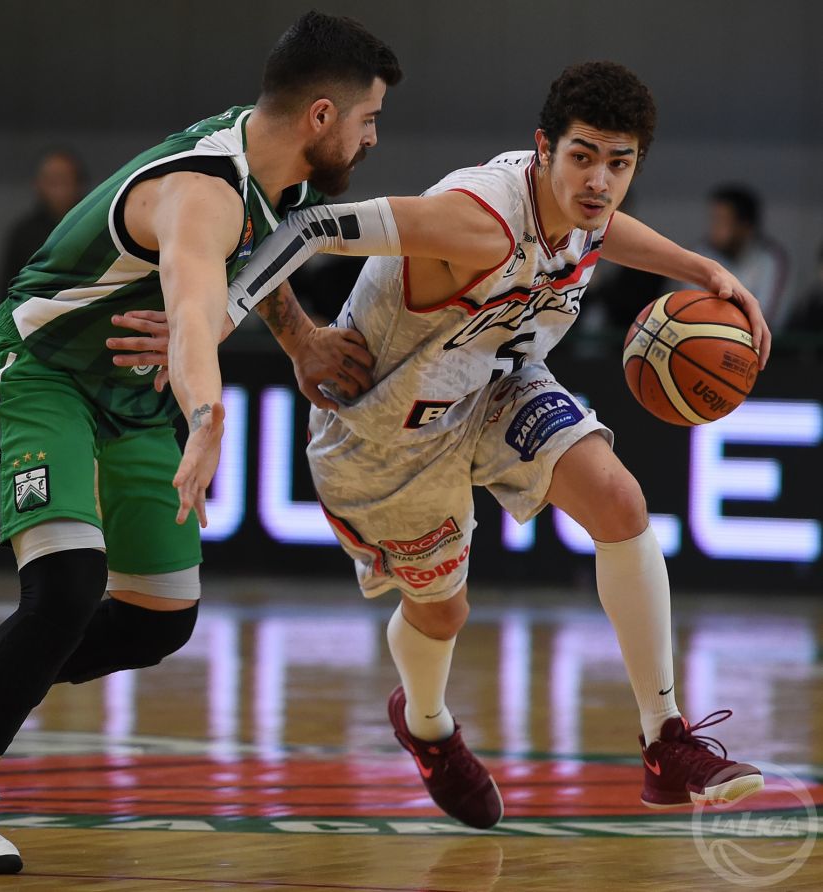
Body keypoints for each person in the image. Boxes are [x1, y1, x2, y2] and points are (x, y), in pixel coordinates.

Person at [108, 61, 772, 830]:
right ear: (544, 149)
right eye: (583, 156)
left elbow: (600, 224)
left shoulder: (583, 203)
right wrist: (224, 324)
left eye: (619, 164)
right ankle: (426, 725)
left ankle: (665, 739)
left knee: (620, 502)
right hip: (385, 431)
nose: (599, 181)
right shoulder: (475, 222)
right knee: (443, 614)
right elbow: (308, 227)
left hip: (492, 383)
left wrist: (700, 268)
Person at [0, 11, 399, 874]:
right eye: (368, 119)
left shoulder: (283, 177)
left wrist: (300, 338)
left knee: (158, 621)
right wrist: (208, 418)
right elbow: (191, 305)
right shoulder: (203, 191)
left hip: (128, 396)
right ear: (322, 116)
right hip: (41, 371)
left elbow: (257, 261)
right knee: (67, 586)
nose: (374, 138)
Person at [686, 184, 792, 332]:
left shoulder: (771, 258)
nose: (714, 227)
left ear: (745, 226)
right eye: (713, 219)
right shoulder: (701, 252)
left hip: (754, 342)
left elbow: (767, 319)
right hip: (704, 337)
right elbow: (690, 310)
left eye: (721, 220)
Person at [0, 149, 87, 300]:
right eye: (52, 181)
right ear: (38, 184)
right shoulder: (23, 233)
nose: (59, 189)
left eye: (65, 180)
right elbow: (6, 290)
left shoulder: (93, 229)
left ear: (79, 184)